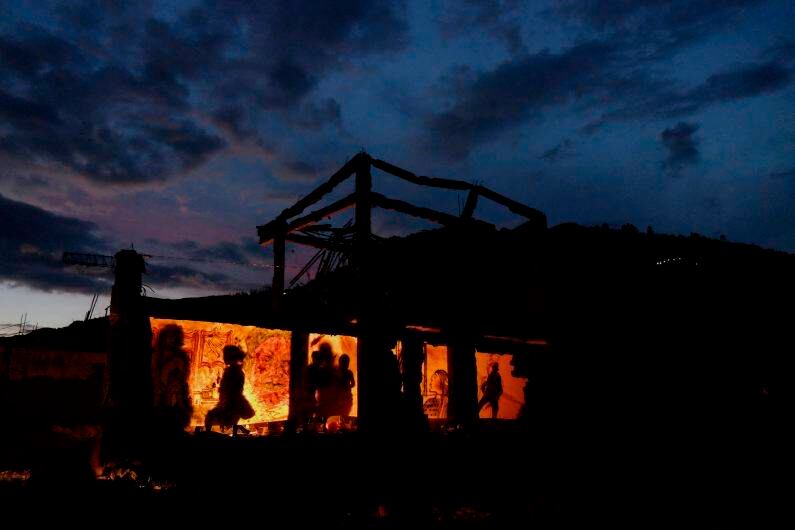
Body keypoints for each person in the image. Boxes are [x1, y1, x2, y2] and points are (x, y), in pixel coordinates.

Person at [205, 345, 255, 436]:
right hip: (233, 402)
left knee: (209, 417)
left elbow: (230, 390)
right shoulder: (236, 371)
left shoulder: (233, 371)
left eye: (225, 356)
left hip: (231, 403)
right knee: (214, 417)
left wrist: (224, 404)